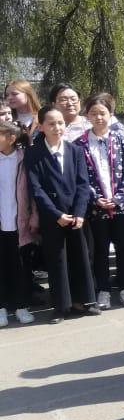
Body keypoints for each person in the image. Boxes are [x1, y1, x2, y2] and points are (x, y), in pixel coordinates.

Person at [25, 105, 100, 322]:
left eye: (60, 123)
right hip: (53, 218)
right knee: (57, 261)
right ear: (41, 127)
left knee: (81, 258)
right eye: (51, 123)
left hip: (76, 217)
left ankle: (84, 301)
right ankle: (61, 306)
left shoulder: (75, 150)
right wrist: (55, 214)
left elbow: (83, 184)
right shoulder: (33, 154)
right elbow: (36, 189)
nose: (57, 127)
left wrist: (79, 213)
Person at [78, 94, 124, 309]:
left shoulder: (121, 139)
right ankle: (103, 290)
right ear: (87, 116)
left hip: (121, 206)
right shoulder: (81, 144)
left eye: (102, 113)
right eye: (93, 113)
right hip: (97, 208)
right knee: (101, 249)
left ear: (111, 114)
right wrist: (96, 198)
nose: (98, 117)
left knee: (123, 247)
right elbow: (81, 177)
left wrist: (119, 198)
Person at [0, 120, 37, 326]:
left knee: (22, 266)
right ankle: (2, 307)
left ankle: (22, 306)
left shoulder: (24, 159)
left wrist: (34, 217)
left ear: (11, 138)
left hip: (20, 222)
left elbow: (33, 192)